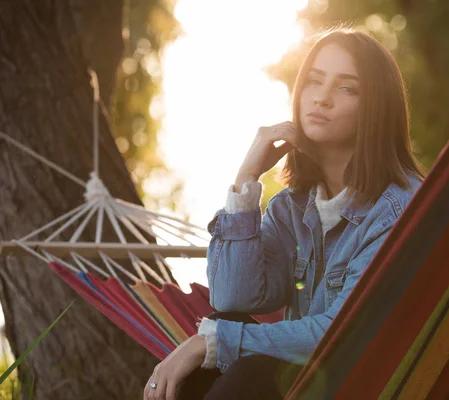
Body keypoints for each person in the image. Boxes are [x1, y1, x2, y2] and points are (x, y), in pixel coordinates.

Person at [144, 27, 426, 400]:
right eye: (314, 81)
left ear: (377, 107)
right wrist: (245, 183)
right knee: (219, 332)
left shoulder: (399, 210)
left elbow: (339, 335)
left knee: (245, 364)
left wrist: (208, 342)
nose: (321, 98)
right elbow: (231, 298)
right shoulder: (291, 208)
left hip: (371, 385)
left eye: (346, 88)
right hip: (308, 384)